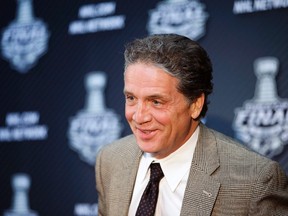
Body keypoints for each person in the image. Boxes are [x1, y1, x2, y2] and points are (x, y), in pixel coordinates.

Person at [95, 34, 288, 216]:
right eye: (131, 98)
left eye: (156, 102)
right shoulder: (110, 159)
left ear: (195, 104)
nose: (139, 116)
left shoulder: (255, 180)